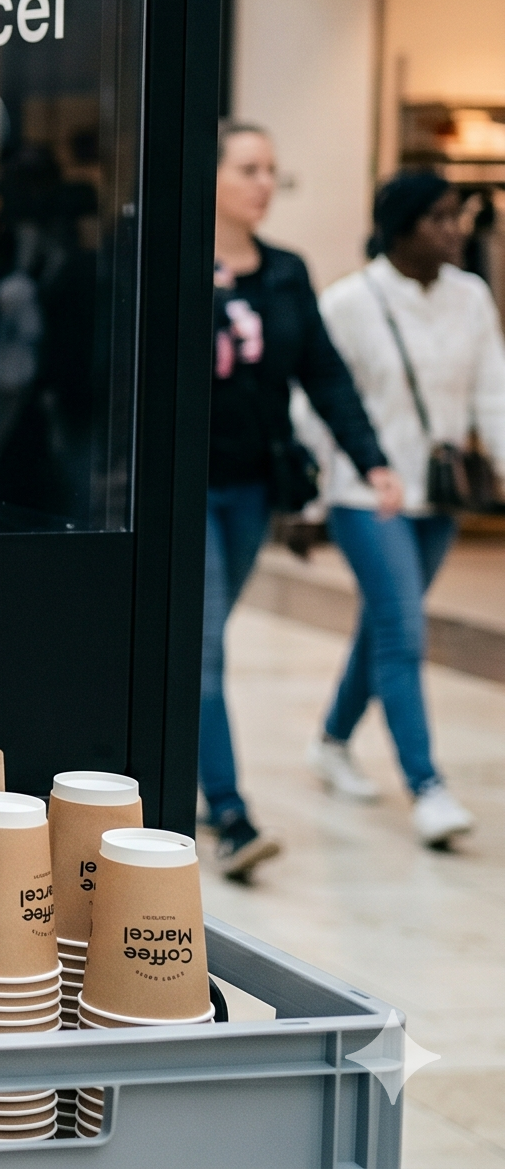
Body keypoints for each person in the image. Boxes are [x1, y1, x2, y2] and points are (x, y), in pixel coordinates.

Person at [205, 122, 401, 881]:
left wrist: (372, 460)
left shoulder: (286, 272)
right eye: (249, 169)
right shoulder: (177, 262)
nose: (263, 184)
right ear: (210, 178)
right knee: (203, 646)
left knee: (206, 635)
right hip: (185, 490)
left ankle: (189, 766)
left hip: (255, 486)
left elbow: (324, 374)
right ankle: (228, 811)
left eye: (271, 172)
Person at [299, 171, 503, 849]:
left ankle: (331, 740)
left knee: (385, 626)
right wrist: (317, 493)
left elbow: (491, 393)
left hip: (441, 495)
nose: (455, 230)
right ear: (401, 227)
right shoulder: (351, 301)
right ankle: (428, 787)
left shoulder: (471, 297)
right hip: (368, 496)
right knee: (403, 630)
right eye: (439, 218)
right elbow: (315, 403)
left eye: (458, 217)